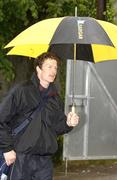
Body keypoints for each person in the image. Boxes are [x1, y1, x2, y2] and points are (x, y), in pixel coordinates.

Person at [0, 52, 79, 180]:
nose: (53, 70)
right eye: (49, 66)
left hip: (44, 162)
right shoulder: (22, 91)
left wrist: (68, 124)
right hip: (21, 158)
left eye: (55, 67)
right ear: (38, 69)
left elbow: (56, 128)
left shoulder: (55, 97)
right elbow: (1, 120)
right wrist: (7, 149)